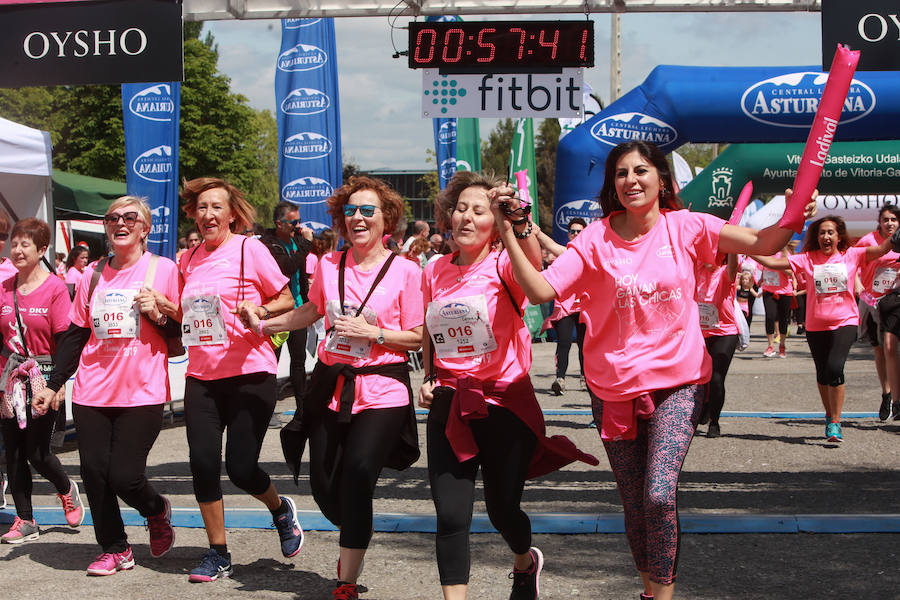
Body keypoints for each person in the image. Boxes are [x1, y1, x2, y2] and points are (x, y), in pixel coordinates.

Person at [493, 140, 817, 600]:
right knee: (634, 503)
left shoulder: (687, 226)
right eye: (621, 173)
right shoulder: (594, 239)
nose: (631, 180)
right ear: (613, 185)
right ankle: (650, 591)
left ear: (661, 180)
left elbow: (764, 242)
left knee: (659, 495)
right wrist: (509, 232)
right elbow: (541, 291)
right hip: (612, 389)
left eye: (641, 170)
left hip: (678, 383)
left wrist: (794, 214)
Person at [419, 171, 597, 600]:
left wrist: (516, 221)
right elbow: (429, 329)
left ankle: (524, 560)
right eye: (460, 208)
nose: (466, 217)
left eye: (479, 211)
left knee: (502, 510)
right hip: (450, 401)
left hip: (503, 403)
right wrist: (428, 377)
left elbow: (534, 266)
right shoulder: (434, 270)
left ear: (494, 222)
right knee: (451, 516)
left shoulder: (503, 263)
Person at [248, 176, 424, 600]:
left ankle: (346, 582)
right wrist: (264, 324)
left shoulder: (406, 271)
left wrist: (375, 333)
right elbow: (311, 309)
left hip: (383, 388)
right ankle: (357, 525)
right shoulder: (328, 264)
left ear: (387, 219)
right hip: (331, 385)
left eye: (367, 210)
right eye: (350, 211)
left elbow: (419, 336)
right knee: (325, 488)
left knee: (359, 473)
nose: (358, 218)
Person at [31, 198, 179, 574]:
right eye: (112, 218)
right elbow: (75, 335)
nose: (120, 223)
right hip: (93, 390)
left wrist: (159, 314)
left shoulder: (164, 270)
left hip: (141, 389)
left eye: (130, 217)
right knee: (95, 473)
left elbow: (183, 333)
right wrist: (53, 384)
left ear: (145, 228)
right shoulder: (92, 274)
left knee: (125, 476)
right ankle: (115, 547)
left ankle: (156, 509)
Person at [174, 177, 300, 583]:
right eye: (202, 208)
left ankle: (280, 509)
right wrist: (164, 306)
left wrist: (259, 310)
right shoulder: (187, 259)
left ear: (232, 215)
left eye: (217, 207)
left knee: (242, 468)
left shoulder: (250, 249)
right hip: (202, 376)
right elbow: (187, 314)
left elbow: (287, 299)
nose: (208, 214)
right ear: (194, 215)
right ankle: (218, 553)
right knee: (202, 464)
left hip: (250, 373)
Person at [753, 215, 893, 443]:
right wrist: (743, 248)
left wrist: (895, 237)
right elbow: (771, 263)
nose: (826, 237)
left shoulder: (852, 254)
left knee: (835, 368)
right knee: (822, 373)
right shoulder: (808, 258)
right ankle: (829, 416)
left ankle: (836, 422)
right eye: (822, 233)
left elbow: (881, 249)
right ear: (817, 237)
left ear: (839, 237)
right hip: (816, 324)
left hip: (845, 321)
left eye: (830, 232)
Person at [0, 218, 83, 544]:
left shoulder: (55, 288)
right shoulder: (3, 288)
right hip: (10, 378)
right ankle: (25, 519)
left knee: (37, 452)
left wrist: (58, 384)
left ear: (42, 249)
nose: (18, 250)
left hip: (44, 375)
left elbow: (64, 341)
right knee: (13, 452)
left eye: (25, 244)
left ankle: (66, 488)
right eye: (14, 244)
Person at [260, 201, 315, 411]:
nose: (298, 226)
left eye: (299, 221)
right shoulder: (268, 244)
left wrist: (307, 304)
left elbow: (301, 276)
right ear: (279, 223)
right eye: (293, 222)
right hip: (277, 312)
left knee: (299, 362)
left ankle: (302, 411)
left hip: (298, 310)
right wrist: (306, 244)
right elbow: (287, 268)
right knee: (271, 362)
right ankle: (267, 409)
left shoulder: (297, 241)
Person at [854, 205, 900, 420]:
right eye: (885, 219)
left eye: (894, 219)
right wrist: (859, 288)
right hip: (872, 301)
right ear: (879, 222)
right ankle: (887, 393)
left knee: (891, 347)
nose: (889, 223)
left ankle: (897, 399)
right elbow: (851, 264)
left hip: (895, 300)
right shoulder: (868, 241)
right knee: (880, 350)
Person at [536, 219, 587, 395]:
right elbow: (550, 248)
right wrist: (535, 232)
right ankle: (560, 379)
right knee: (564, 342)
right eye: (572, 231)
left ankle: (585, 378)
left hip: (585, 307)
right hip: (565, 306)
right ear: (568, 234)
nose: (575, 234)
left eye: (579, 231)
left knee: (584, 345)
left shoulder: (589, 252)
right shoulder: (563, 254)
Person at [695, 254, 740, 438]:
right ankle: (705, 405)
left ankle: (714, 421)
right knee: (699, 378)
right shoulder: (696, 270)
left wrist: (734, 247)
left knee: (716, 377)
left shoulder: (725, 272)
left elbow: (733, 265)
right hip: (699, 332)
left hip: (724, 332)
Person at [759, 246, 794, 357]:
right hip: (768, 290)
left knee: (783, 319)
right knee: (770, 316)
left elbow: (791, 272)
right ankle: (770, 345)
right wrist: (761, 279)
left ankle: (782, 345)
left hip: (784, 291)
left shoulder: (785, 254)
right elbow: (763, 268)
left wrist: (777, 265)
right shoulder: (765, 253)